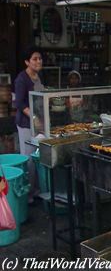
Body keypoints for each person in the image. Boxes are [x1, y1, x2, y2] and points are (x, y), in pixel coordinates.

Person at [14, 46, 44, 202]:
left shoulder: (38, 77)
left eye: (40, 58)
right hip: (26, 124)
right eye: (35, 59)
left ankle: (38, 190)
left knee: (39, 157)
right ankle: (27, 195)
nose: (38, 61)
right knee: (29, 158)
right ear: (27, 62)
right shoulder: (21, 79)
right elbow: (19, 102)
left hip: (38, 123)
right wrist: (33, 117)